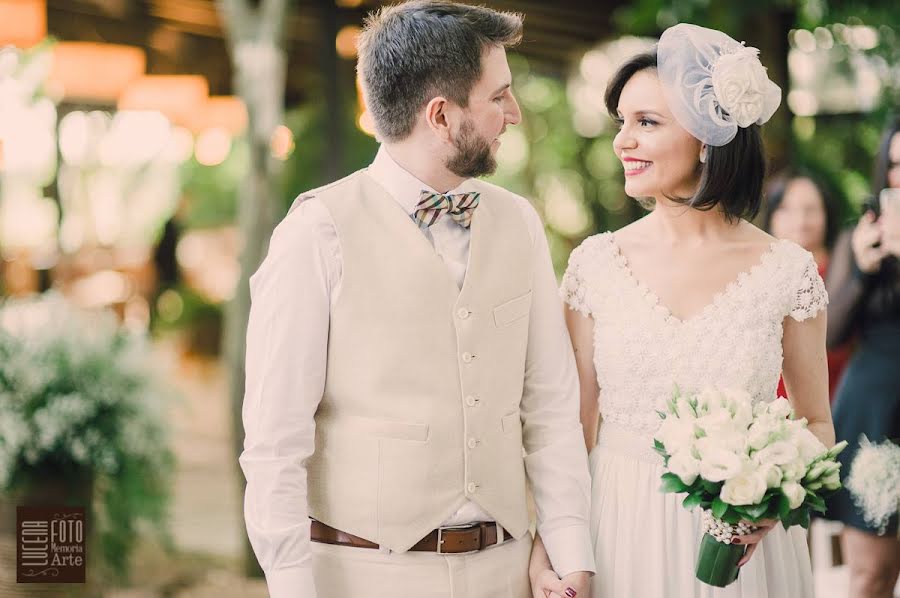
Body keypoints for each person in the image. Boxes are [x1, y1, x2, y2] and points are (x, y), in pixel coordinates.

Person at [239, 2, 594, 598]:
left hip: (505, 574)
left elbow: (551, 408)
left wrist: (570, 548)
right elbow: (275, 442)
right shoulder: (315, 234)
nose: (514, 113)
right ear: (441, 114)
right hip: (363, 576)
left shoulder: (520, 223)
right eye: (499, 96)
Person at [530, 24, 834, 597]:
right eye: (622, 121)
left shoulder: (786, 271)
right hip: (618, 529)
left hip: (739, 550)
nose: (622, 141)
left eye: (646, 122)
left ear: (707, 136)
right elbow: (571, 427)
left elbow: (814, 421)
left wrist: (770, 502)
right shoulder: (597, 265)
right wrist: (548, 553)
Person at [823, 117, 900, 598]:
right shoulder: (860, 235)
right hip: (873, 412)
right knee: (870, 577)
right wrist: (864, 271)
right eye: (895, 165)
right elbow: (829, 333)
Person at [763, 169, 852, 402]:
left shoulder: (845, 275)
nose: (800, 221)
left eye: (811, 210)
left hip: (835, 404)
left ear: (827, 214)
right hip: (772, 413)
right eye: (787, 209)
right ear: (772, 215)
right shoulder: (758, 275)